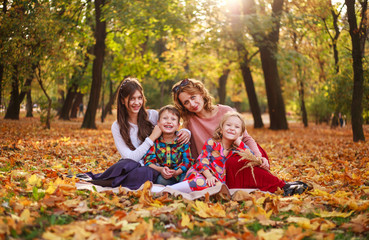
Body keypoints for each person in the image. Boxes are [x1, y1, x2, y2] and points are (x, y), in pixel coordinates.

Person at [172, 78, 308, 195]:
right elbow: (192, 150)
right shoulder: (189, 122)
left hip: (243, 152)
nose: (192, 104)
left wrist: (257, 156)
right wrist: (185, 133)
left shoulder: (226, 111)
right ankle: (283, 186)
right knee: (232, 164)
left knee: (241, 159)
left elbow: (247, 138)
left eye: (193, 97)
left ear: (201, 93)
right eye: (186, 102)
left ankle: (281, 185)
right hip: (219, 167)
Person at [83, 78, 191, 190]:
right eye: (132, 99)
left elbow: (171, 123)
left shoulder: (153, 116)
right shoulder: (117, 126)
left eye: (139, 98)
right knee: (124, 164)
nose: (137, 102)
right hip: (131, 165)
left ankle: (111, 181)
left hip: (151, 167)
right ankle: (107, 180)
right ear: (122, 100)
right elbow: (130, 157)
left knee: (144, 172)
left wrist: (186, 131)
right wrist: (151, 138)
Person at [184, 112, 253, 191]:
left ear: (241, 134)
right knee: (199, 182)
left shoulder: (236, 150)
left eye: (237, 127)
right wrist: (209, 176)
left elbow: (251, 156)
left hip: (217, 181)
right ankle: (174, 189)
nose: (232, 128)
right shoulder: (212, 143)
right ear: (221, 130)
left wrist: (238, 142)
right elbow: (202, 160)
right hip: (202, 173)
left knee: (219, 188)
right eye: (228, 125)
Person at [144, 105, 193, 186]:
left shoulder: (182, 139)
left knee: (188, 177)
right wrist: (161, 169)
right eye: (165, 118)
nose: (169, 122)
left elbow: (187, 161)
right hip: (165, 175)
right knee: (160, 180)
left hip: (181, 173)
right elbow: (148, 161)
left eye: (173, 119)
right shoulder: (155, 141)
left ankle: (180, 187)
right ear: (158, 123)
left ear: (178, 125)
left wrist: (177, 172)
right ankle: (174, 187)